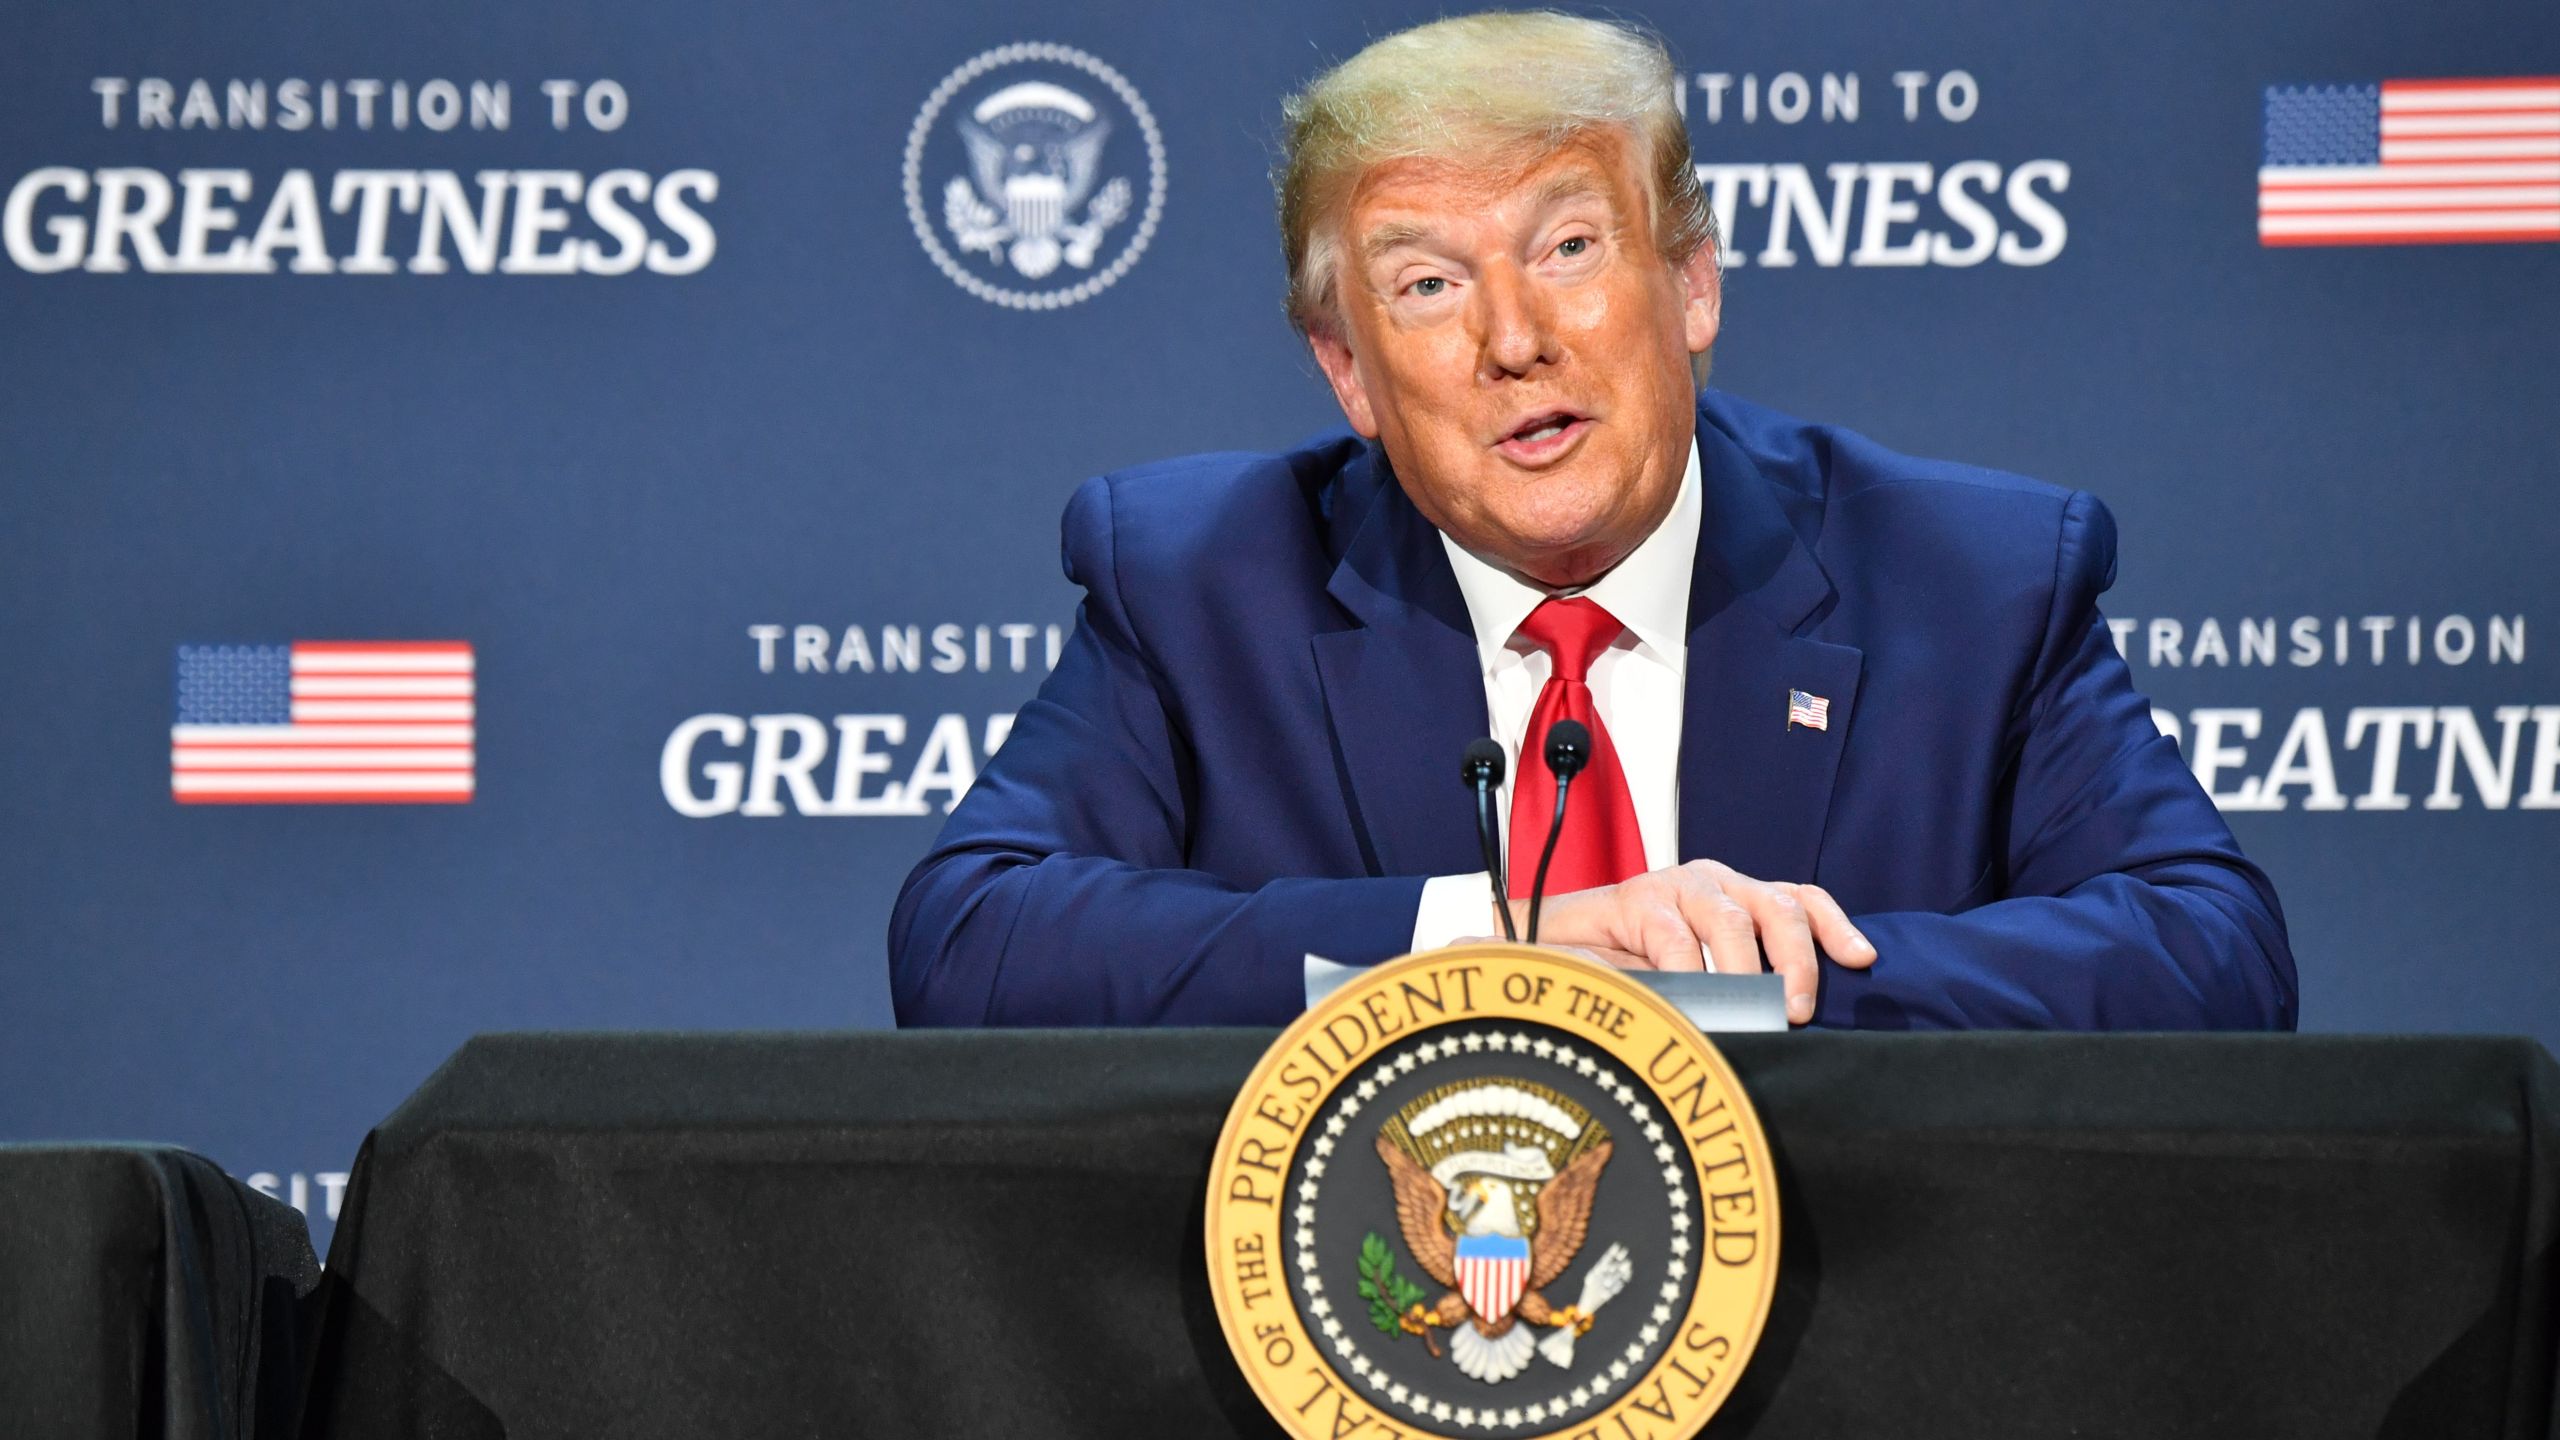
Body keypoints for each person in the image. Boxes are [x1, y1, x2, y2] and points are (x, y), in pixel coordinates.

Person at [888, 11, 2295, 1030]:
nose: (1515, 339)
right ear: (1346, 372)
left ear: (1691, 284)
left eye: (1569, 248)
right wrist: (1496, 947)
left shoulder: (1968, 583)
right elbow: (969, 944)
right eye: (1427, 286)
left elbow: (2214, 955)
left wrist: (1749, 982)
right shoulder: (1206, 585)